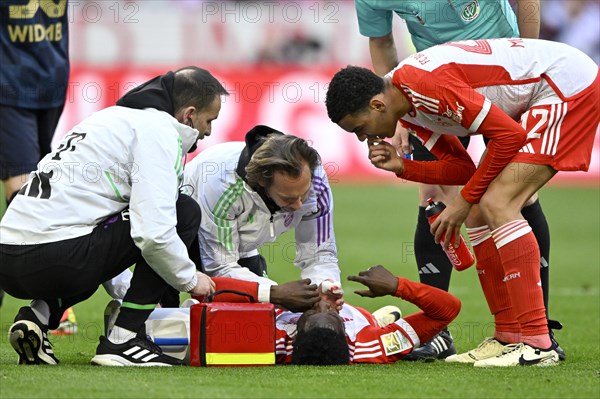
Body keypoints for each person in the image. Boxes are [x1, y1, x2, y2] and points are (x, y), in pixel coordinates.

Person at [325, 38, 599, 366]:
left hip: (565, 84)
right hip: (545, 87)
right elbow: (463, 169)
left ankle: (539, 342)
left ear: (377, 105)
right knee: (480, 211)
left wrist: (462, 201)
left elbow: (508, 135)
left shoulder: (423, 86)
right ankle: (508, 336)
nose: (364, 138)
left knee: (497, 202)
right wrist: (402, 167)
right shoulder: (407, 106)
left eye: (359, 128)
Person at [353, 0, 553, 361]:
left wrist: (530, 57)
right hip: (432, 88)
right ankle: (436, 330)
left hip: (502, 76)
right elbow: (381, 42)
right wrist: (396, 112)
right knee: (432, 195)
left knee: (516, 198)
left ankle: (536, 326)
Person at [0, 67, 228, 367]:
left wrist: (131, 292)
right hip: (55, 256)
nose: (209, 131)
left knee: (92, 247)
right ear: (188, 114)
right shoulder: (158, 132)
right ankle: (123, 339)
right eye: (209, 120)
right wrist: (188, 277)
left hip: (10, 261)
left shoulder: (109, 118)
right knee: (183, 211)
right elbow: (153, 233)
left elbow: (104, 242)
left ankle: (37, 316)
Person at [182, 126, 343, 307]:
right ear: (262, 182)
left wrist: (322, 289)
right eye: (288, 198)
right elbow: (220, 267)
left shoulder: (315, 181)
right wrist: (274, 293)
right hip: (186, 229)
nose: (299, 205)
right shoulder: (221, 185)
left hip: (243, 240)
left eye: (303, 194)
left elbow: (320, 254)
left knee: (261, 311)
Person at [178, 265, 461, 365]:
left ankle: (387, 318)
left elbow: (204, 291)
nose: (323, 304)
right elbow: (449, 309)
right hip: (368, 322)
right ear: (345, 331)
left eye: (313, 310)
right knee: (407, 342)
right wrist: (398, 286)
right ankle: (385, 320)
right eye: (330, 312)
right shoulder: (367, 345)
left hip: (283, 314)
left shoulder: (272, 339)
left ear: (296, 329)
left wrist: (273, 295)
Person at [0, 0, 70, 310]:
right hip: (9, 87)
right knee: (22, 190)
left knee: (42, 193)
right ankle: (49, 299)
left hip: (52, 85)